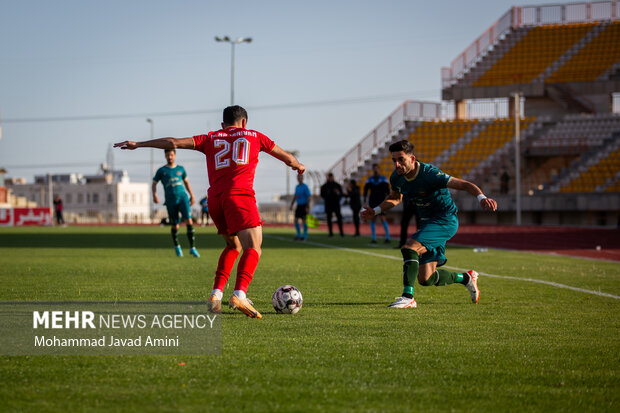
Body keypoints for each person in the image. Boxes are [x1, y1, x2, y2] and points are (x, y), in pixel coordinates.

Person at [115, 105, 304, 319]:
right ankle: (240, 294)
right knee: (254, 247)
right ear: (244, 123)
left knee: (233, 245)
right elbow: (287, 157)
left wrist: (138, 144)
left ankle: (216, 295)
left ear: (223, 125)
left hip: (215, 200)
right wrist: (298, 165)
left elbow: (173, 143)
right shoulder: (256, 137)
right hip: (240, 196)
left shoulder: (210, 138)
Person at [360, 139, 497, 308]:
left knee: (409, 248)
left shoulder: (429, 173)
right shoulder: (397, 178)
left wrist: (482, 198)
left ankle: (408, 297)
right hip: (427, 224)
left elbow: (464, 184)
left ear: (412, 158)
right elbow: (395, 198)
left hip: (445, 220)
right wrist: (376, 210)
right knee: (426, 279)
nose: (397, 164)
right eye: (394, 160)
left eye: (401, 159)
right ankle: (467, 278)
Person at [152, 149, 200, 258]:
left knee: (189, 220)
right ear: (165, 156)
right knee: (175, 226)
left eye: (172, 155)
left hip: (183, 198)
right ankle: (177, 246)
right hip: (170, 200)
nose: (170, 157)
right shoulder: (161, 170)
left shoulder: (181, 169)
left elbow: (186, 183)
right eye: (168, 155)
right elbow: (154, 183)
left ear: (175, 155)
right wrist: (154, 195)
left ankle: (193, 248)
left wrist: (192, 195)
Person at [364, 163, 391, 244]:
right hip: (373, 202)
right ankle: (374, 238)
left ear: (379, 169)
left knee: (383, 218)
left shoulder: (384, 179)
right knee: (373, 218)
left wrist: (388, 201)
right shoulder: (370, 180)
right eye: (374, 168)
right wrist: (365, 201)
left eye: (377, 168)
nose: (375, 170)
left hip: (381, 202)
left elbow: (388, 191)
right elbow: (365, 191)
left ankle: (387, 237)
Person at [320, 173, 344, 237]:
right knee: (329, 218)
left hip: (336, 204)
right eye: (329, 177)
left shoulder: (337, 185)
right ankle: (330, 233)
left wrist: (338, 193)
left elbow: (341, 194)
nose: (330, 178)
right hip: (328, 204)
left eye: (331, 177)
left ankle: (341, 232)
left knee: (339, 217)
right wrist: (327, 194)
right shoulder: (325, 186)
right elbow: (322, 195)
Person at [290, 174, 311, 241]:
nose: (299, 179)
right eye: (298, 177)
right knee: (296, 220)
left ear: (303, 178)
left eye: (301, 177)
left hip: (304, 205)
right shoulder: (297, 187)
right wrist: (292, 204)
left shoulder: (305, 187)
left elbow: (309, 197)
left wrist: (307, 206)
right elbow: (295, 196)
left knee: (304, 220)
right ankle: (299, 235)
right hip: (299, 206)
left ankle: (304, 236)